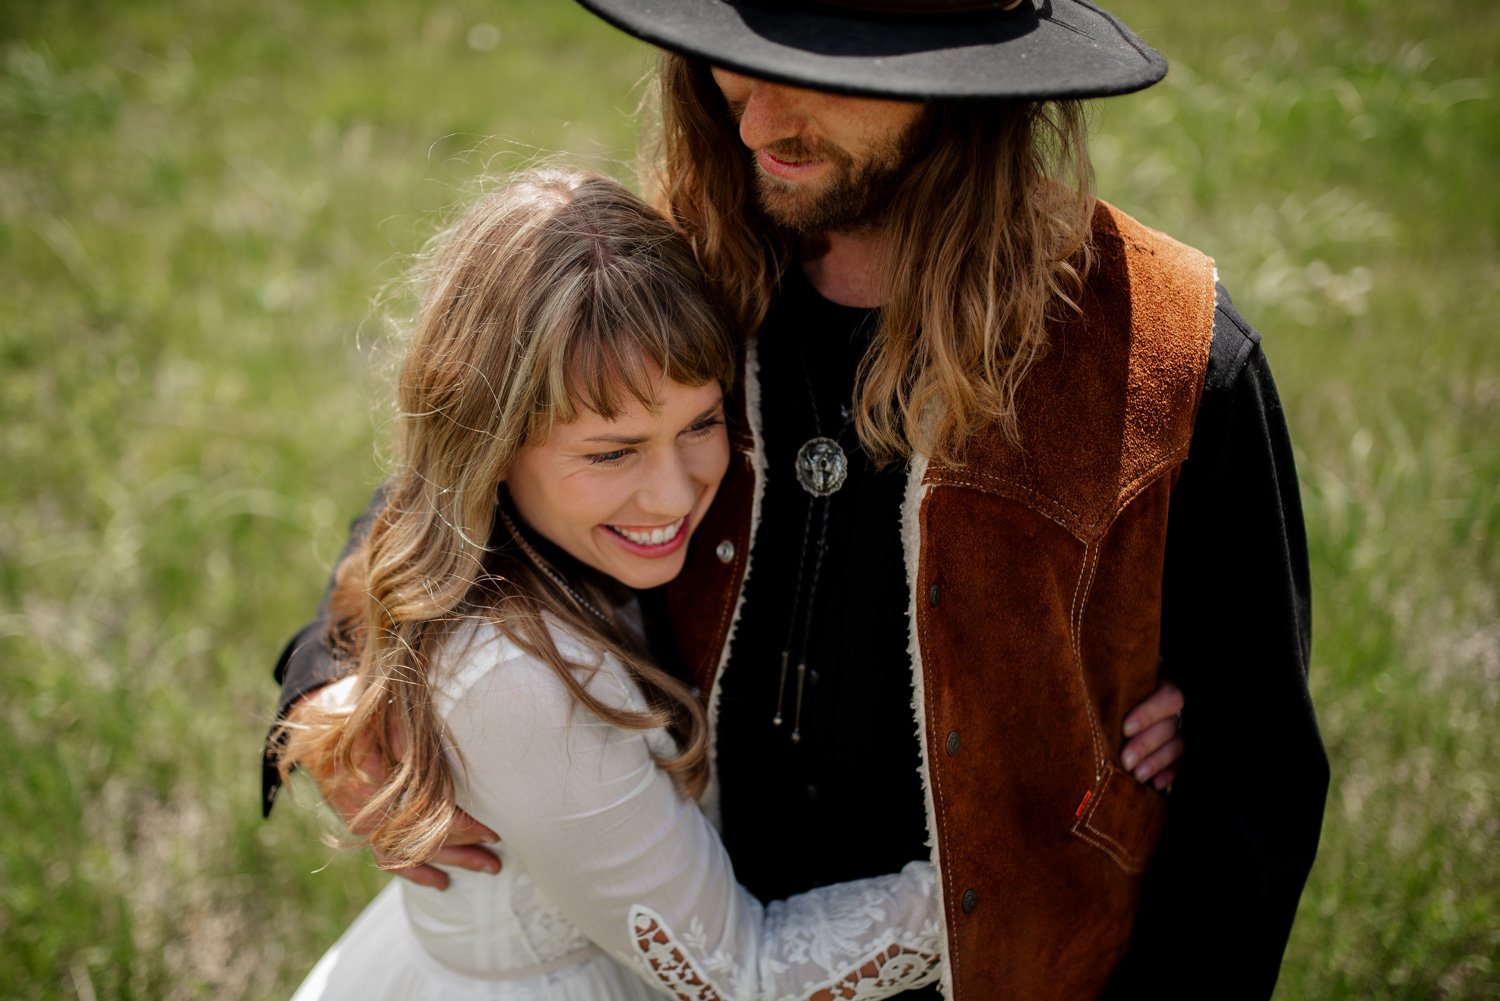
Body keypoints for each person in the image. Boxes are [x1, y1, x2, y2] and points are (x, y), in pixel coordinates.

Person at [270, 1, 1330, 998]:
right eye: (747, 50)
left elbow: (1255, 797)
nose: (760, 116)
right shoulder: (688, 260)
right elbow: (460, 477)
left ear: (967, 78)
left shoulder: (1169, 358)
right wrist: (330, 676)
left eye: (822, 68)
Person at [277, 167, 949, 1000]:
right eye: (612, 452)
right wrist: (1003, 883)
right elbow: (739, 971)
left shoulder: (555, 542)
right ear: (490, 443)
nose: (673, 495)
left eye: (701, 423)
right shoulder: (522, 682)